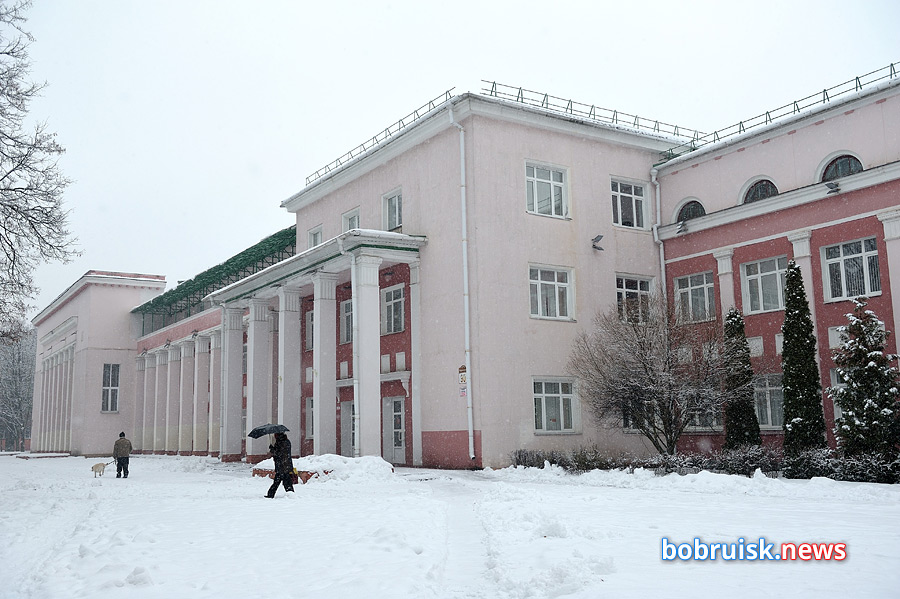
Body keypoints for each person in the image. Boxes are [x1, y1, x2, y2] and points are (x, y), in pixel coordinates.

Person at [265, 432, 294, 498]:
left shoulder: (281, 443)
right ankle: (290, 493)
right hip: (285, 465)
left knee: (281, 481)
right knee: (283, 481)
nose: (274, 436)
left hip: (282, 465)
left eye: (275, 435)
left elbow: (279, 454)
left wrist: (272, 449)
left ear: (278, 435)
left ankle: (290, 494)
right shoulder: (286, 441)